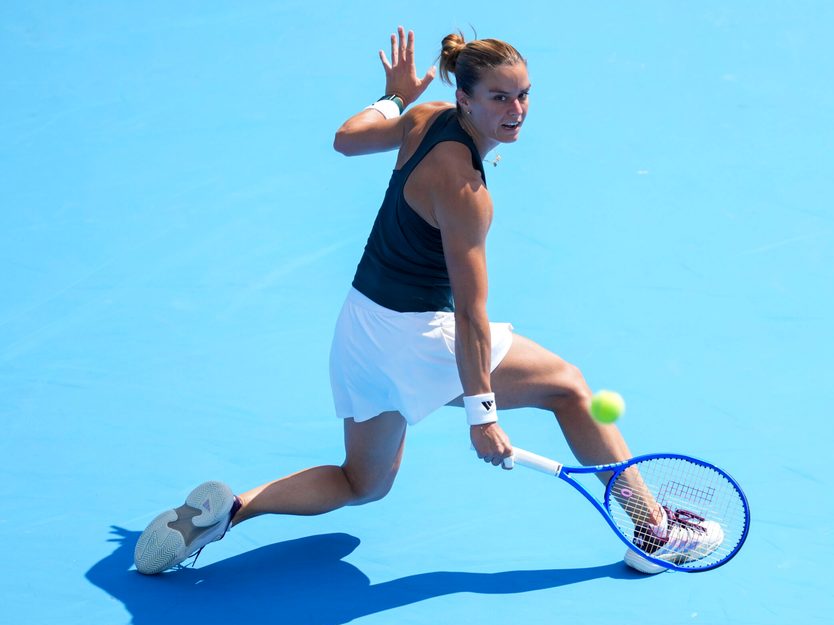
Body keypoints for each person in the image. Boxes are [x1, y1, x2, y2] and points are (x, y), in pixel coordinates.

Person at [134, 27, 722, 577]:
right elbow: (470, 314)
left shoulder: (423, 117)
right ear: (465, 98)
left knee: (362, 482)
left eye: (523, 95)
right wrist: (482, 415)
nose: (516, 110)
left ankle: (229, 511)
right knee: (568, 388)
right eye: (499, 97)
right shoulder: (465, 190)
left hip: (360, 328)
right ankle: (654, 532)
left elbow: (345, 140)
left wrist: (393, 98)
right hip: (415, 337)